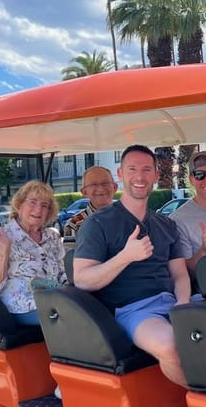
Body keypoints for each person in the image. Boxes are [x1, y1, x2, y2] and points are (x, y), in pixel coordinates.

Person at [72, 144, 193, 388]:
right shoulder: (96, 224)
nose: (140, 176)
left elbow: (179, 274)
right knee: (171, 345)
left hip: (173, 303)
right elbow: (82, 280)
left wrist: (183, 304)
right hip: (133, 312)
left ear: (156, 176)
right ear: (121, 174)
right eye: (133, 169)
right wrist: (126, 256)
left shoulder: (167, 224)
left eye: (147, 169)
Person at [0, 180, 67, 326]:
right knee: (70, 316)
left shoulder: (52, 237)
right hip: (22, 306)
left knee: (92, 306)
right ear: (19, 205)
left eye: (44, 205)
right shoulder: (2, 236)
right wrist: (5, 248)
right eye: (32, 202)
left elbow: (62, 274)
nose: (38, 209)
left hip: (55, 299)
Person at [63, 165, 117, 241]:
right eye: (94, 184)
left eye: (105, 183)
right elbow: (72, 253)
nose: (100, 189)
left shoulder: (130, 218)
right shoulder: (74, 225)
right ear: (84, 192)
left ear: (115, 187)